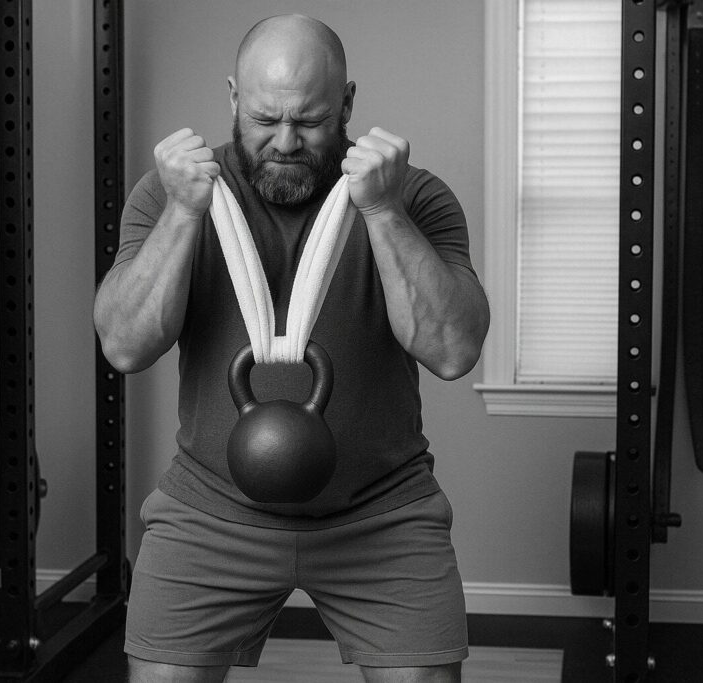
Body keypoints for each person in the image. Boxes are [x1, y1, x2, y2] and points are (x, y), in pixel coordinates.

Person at [94, 13, 490, 683]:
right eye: (263, 118)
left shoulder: (412, 195)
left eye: (308, 121)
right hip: (212, 505)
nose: (284, 141)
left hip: (380, 508)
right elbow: (126, 346)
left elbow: (452, 350)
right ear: (231, 99)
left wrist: (385, 212)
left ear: (348, 104)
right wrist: (183, 213)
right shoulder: (174, 191)